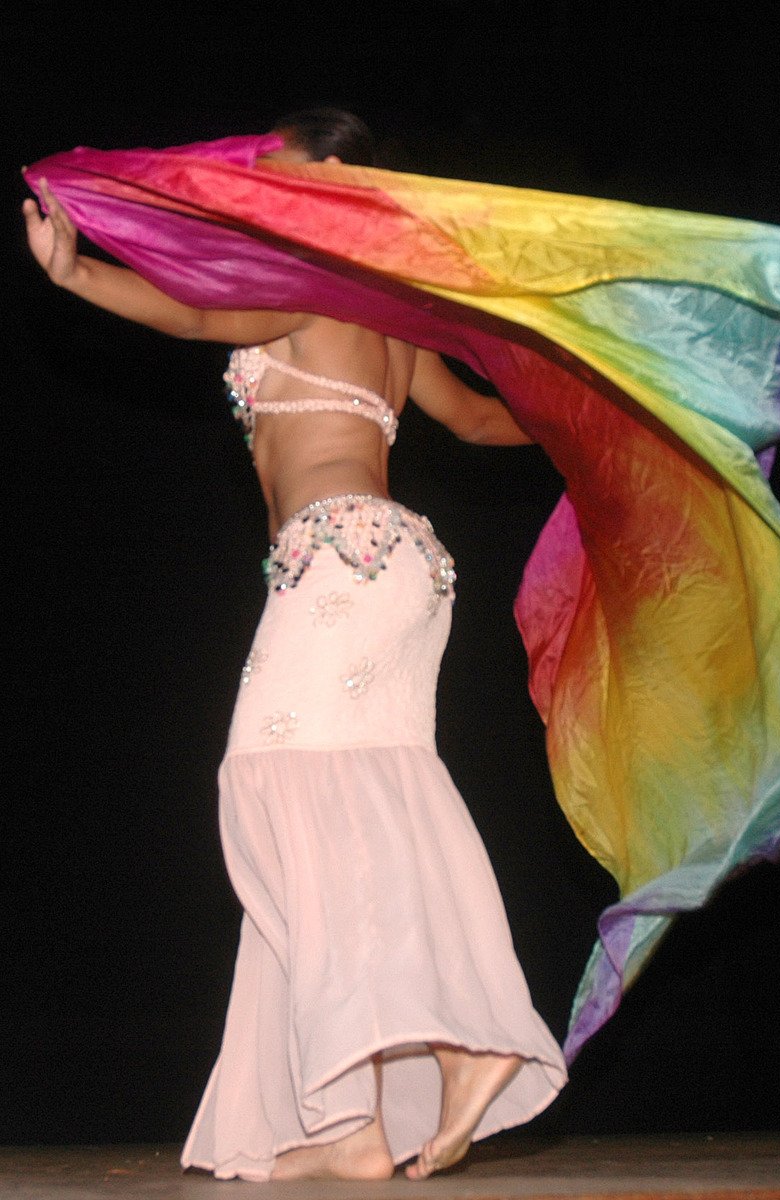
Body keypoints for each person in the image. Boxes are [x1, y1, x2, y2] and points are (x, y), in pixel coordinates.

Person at [23, 108, 568, 1182]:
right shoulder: (389, 314)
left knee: (270, 782)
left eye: (276, 159)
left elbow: (190, 318)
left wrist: (73, 274)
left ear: (328, 177)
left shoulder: (311, 281)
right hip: (404, 568)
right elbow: (481, 423)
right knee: (366, 800)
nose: (259, 172)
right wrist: (589, 416)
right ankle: (353, 1121)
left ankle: (464, 1039)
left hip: (341, 557)